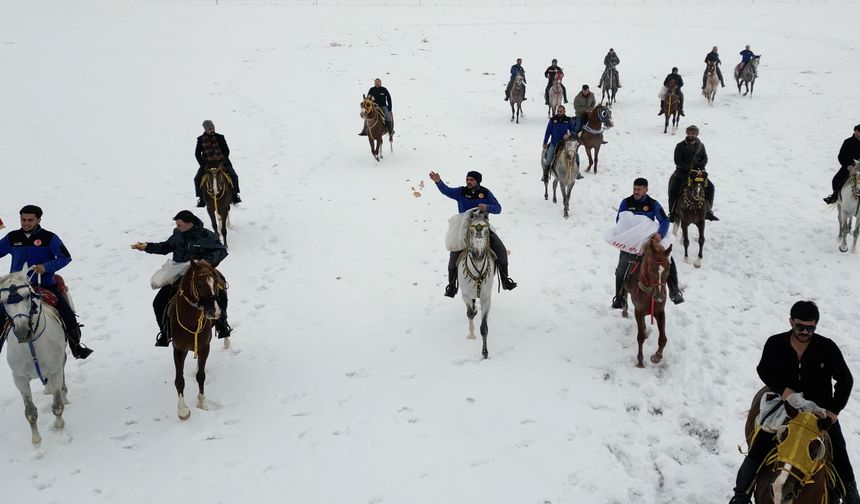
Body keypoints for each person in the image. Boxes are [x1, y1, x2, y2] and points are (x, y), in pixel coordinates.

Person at [727, 300, 860, 504]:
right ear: (791, 322)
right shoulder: (775, 343)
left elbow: (845, 379)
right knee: (760, 446)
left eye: (810, 328)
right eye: (800, 327)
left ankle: (851, 496)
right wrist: (784, 390)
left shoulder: (827, 347)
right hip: (786, 408)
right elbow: (764, 369)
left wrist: (833, 411)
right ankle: (740, 494)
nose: (805, 332)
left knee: (839, 451)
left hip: (819, 413)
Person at [0, 205, 92, 359]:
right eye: (23, 219)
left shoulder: (49, 238)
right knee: (1, 313)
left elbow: (65, 257)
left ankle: (76, 346)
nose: (26, 223)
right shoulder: (12, 237)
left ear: (39, 219)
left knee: (67, 314)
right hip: (17, 287)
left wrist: (46, 267)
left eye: (30, 220)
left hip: (45, 285)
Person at [131, 211, 231, 347]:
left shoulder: (206, 235)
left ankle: (222, 324)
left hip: (201, 273)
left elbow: (221, 251)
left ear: (190, 224)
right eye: (177, 225)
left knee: (220, 293)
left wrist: (206, 262)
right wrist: (147, 247)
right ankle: (165, 333)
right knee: (158, 303)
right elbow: (167, 246)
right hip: (179, 274)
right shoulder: (178, 234)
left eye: (179, 225)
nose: (177, 227)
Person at [428, 171, 517, 296]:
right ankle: (452, 285)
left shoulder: (486, 193)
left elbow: (498, 208)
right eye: (467, 179)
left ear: (477, 181)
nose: (469, 182)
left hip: (483, 228)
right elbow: (447, 191)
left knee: (501, 250)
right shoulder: (461, 192)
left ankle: (505, 279)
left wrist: (486, 207)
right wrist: (438, 181)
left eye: (472, 180)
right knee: (454, 254)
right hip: (464, 229)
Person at [610, 178, 684, 308]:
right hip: (632, 241)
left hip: (649, 240)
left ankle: (674, 290)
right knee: (622, 267)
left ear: (646, 190)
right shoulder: (626, 203)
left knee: (668, 262)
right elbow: (620, 220)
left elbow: (664, 221)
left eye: (639, 189)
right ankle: (619, 297)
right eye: (634, 189)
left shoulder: (653, 204)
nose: (636, 192)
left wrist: (659, 234)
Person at [669, 125, 719, 222]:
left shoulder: (701, 145)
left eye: (693, 133)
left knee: (711, 187)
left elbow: (705, 157)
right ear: (686, 133)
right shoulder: (680, 146)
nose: (691, 135)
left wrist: (700, 167)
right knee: (673, 189)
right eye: (689, 133)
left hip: (698, 173)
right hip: (682, 173)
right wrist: (690, 167)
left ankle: (708, 211)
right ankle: (672, 213)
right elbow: (677, 161)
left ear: (697, 134)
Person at [194, 120, 241, 207]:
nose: (212, 130)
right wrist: (204, 164)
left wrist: (221, 159)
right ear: (205, 129)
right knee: (197, 179)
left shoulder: (220, 137)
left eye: (213, 128)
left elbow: (226, 150)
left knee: (234, 175)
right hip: (207, 164)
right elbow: (197, 154)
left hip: (222, 162)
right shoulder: (200, 140)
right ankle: (201, 199)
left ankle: (235, 195)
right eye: (210, 129)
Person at [823, 124, 860, 204]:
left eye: (859, 131)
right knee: (836, 181)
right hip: (848, 167)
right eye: (856, 131)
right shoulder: (847, 142)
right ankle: (835, 197)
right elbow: (841, 156)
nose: (857, 133)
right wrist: (847, 166)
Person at [542, 105, 576, 183]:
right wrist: (545, 142)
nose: (559, 113)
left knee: (575, 156)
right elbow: (548, 132)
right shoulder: (552, 120)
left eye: (561, 111)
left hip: (565, 144)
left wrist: (569, 135)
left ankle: (576, 173)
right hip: (554, 143)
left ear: (564, 112)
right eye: (558, 111)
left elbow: (573, 131)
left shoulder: (568, 120)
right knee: (549, 158)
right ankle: (545, 175)